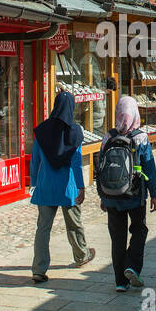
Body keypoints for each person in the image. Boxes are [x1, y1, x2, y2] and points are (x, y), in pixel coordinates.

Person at [28, 91, 94, 283]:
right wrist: (81, 187)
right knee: (74, 223)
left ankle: (38, 269)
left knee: (43, 228)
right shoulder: (74, 132)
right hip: (68, 187)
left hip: (46, 186)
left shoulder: (42, 131)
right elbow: (76, 163)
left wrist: (33, 183)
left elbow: (35, 161)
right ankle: (81, 255)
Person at [98, 95, 156, 292]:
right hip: (135, 195)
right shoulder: (141, 137)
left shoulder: (108, 137)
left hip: (112, 196)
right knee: (139, 230)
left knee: (117, 237)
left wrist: (102, 195)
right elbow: (149, 167)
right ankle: (132, 266)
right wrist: (154, 192)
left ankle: (119, 281)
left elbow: (100, 168)